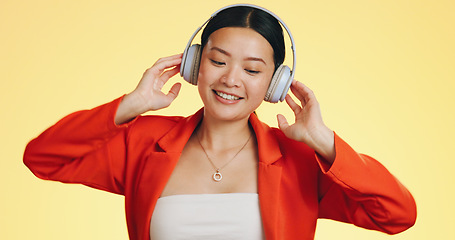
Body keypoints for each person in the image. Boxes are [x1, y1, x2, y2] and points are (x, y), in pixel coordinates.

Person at [23, 4, 416, 240]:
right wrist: (131, 105)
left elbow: (397, 214)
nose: (231, 79)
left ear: (276, 83)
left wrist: (324, 141)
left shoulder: (300, 159)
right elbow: (43, 158)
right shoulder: (144, 142)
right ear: (194, 65)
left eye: (252, 69)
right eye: (217, 61)